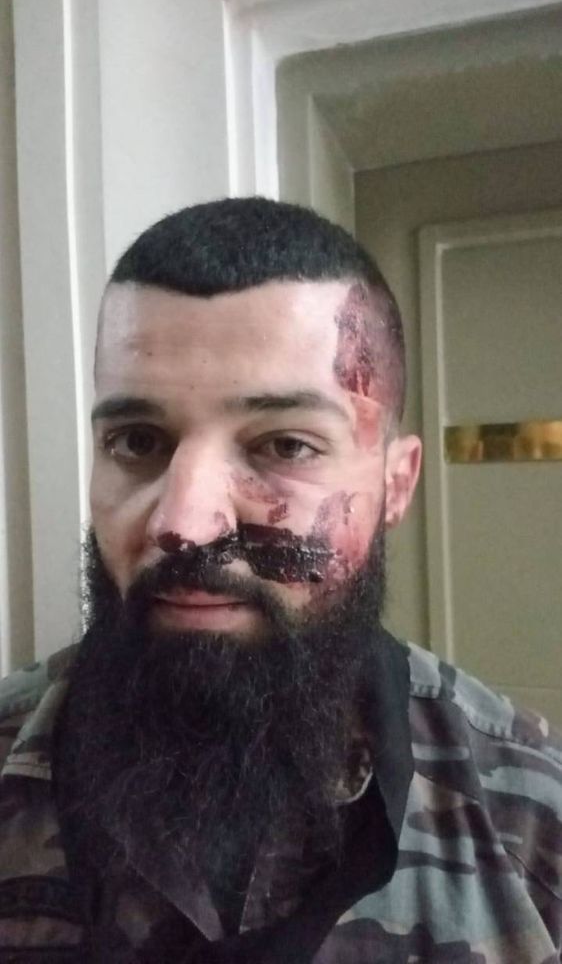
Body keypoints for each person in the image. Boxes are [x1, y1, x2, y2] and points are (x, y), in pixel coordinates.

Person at [0, 198, 560, 963]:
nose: (185, 524)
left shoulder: (529, 822)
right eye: (137, 440)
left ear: (396, 485)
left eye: (286, 445)